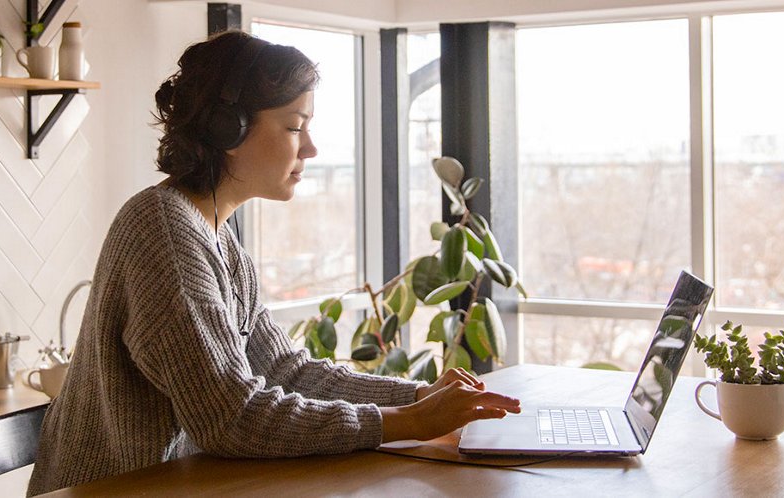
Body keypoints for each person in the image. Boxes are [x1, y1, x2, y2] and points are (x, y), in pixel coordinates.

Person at [26, 30, 521, 495]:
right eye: (294, 126)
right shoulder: (163, 232)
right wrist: (408, 423)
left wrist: (418, 397)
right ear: (228, 130)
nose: (310, 147)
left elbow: (285, 370)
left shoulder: (214, 236)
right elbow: (230, 418)